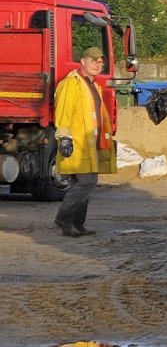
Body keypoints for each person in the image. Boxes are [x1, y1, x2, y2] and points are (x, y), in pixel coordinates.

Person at [52, 46, 117, 237]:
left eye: (100, 62)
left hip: (89, 143)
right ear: (82, 61)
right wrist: (64, 138)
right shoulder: (71, 84)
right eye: (93, 60)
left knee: (81, 184)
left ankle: (77, 224)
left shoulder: (93, 85)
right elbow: (63, 112)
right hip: (77, 144)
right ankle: (63, 220)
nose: (97, 64)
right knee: (87, 181)